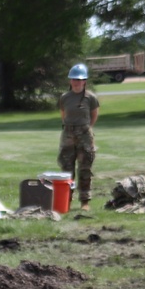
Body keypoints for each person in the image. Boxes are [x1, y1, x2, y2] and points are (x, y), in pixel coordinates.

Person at [58, 64, 99, 208]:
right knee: (66, 168)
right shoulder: (65, 97)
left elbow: (94, 115)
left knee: (85, 168)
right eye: (74, 79)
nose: (76, 82)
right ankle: (66, 200)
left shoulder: (90, 97)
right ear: (70, 81)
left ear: (84, 81)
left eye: (79, 79)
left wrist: (86, 129)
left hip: (85, 135)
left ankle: (84, 201)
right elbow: (64, 115)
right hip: (68, 134)